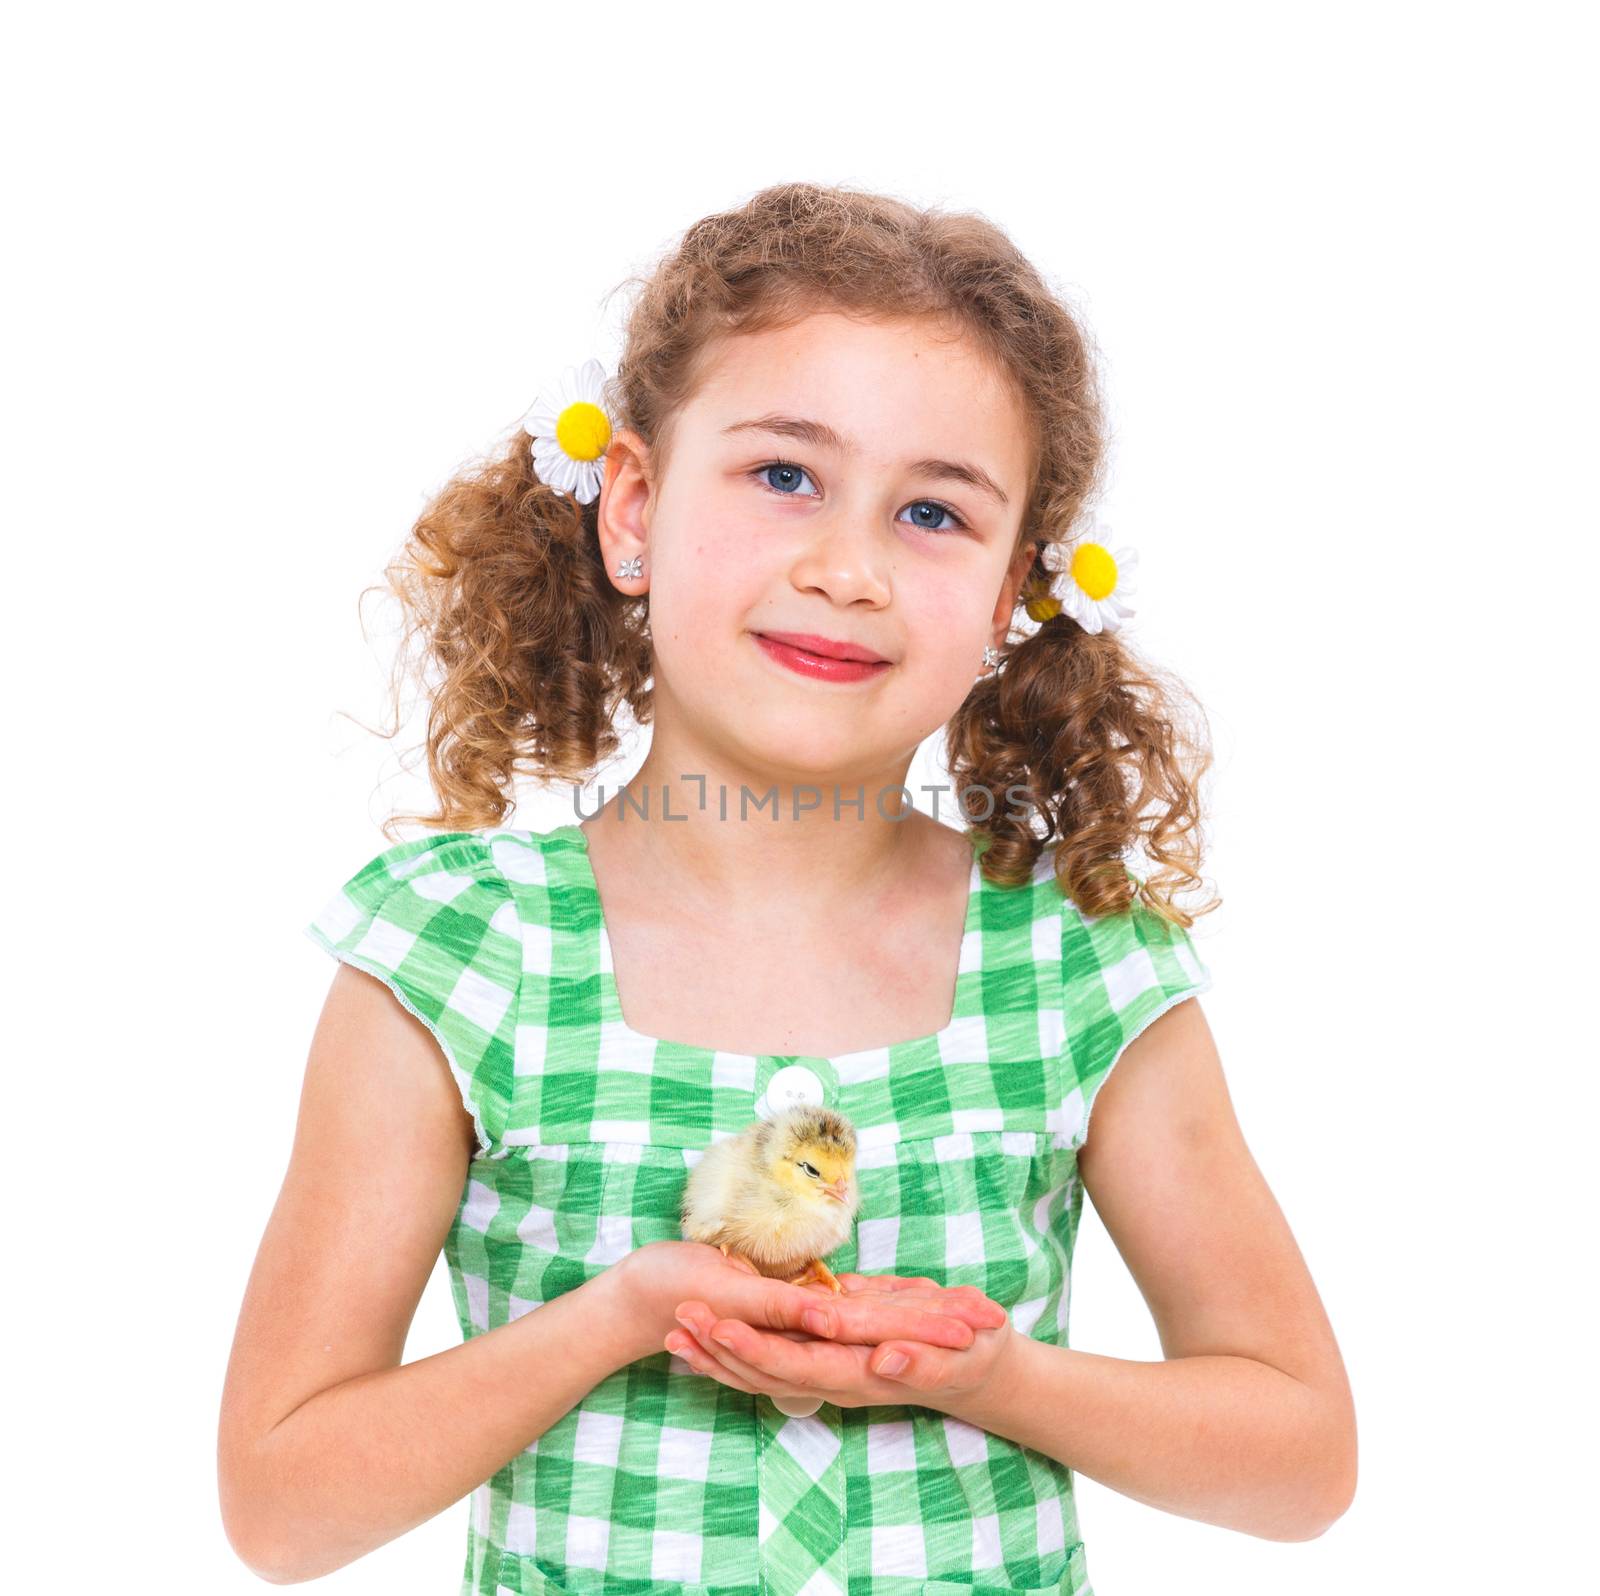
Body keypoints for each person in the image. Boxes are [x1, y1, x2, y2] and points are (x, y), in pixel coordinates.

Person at [218, 180, 1356, 1594]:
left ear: (1010, 599)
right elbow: (281, 1508)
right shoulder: (458, 953)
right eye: (783, 475)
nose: (849, 568)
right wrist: (624, 1315)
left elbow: (1301, 1462)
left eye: (934, 512)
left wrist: (989, 1375)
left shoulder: (1078, 965)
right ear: (631, 508)